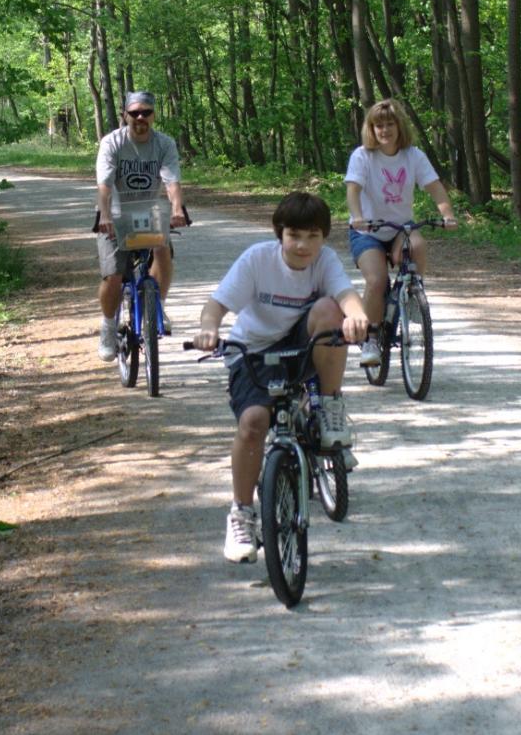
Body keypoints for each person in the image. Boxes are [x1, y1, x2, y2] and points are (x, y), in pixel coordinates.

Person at [192, 192, 369, 563]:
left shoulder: (325, 262)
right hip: (254, 353)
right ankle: (241, 513)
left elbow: (346, 294)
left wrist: (357, 317)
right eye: (294, 235)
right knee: (254, 422)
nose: (303, 245)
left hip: (300, 349)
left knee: (328, 311)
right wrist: (209, 329)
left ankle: (329, 409)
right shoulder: (258, 259)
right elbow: (217, 304)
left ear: (323, 238)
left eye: (313, 236)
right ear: (280, 234)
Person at [344, 99, 457, 367]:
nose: (384, 130)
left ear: (399, 126)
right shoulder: (362, 156)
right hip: (367, 231)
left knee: (417, 246)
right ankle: (370, 339)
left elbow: (435, 187)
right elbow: (353, 190)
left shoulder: (413, 155)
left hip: (400, 228)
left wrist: (447, 214)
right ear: (371, 129)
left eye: (390, 124)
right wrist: (357, 216)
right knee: (377, 279)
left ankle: (413, 295)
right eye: (378, 125)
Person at [95, 90, 189, 361]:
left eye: (146, 112)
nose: (140, 117)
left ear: (154, 115)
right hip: (113, 212)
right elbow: (103, 185)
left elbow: (172, 182)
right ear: (125, 115)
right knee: (113, 275)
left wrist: (176, 209)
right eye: (134, 113)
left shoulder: (164, 144)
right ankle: (109, 325)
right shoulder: (112, 142)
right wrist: (104, 216)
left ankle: (156, 305)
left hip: (147, 210)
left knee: (162, 248)